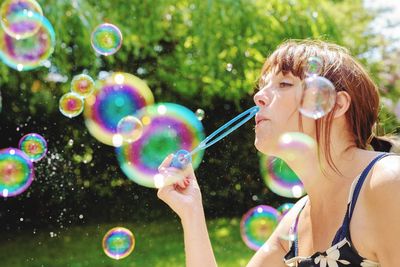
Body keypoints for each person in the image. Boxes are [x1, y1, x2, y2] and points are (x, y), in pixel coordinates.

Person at [157, 39, 400, 267]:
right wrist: (191, 212)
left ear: (335, 104)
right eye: (262, 86)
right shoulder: (296, 221)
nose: (258, 96)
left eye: (284, 84)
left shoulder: (387, 183)